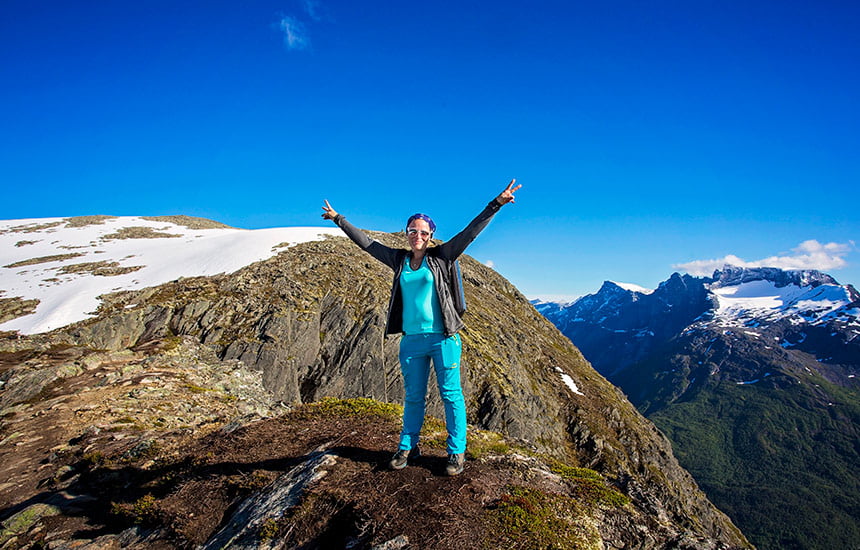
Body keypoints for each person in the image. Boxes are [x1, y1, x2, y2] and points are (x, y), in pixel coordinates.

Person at [321, 179, 521, 476]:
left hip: (443, 338)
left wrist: (496, 204)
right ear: (407, 233)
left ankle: (456, 452)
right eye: (412, 231)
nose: (417, 236)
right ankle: (408, 446)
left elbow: (469, 233)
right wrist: (340, 220)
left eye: (423, 232)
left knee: (450, 394)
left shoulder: (441, 257)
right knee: (413, 395)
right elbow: (366, 244)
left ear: (431, 236)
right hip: (412, 340)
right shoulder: (398, 260)